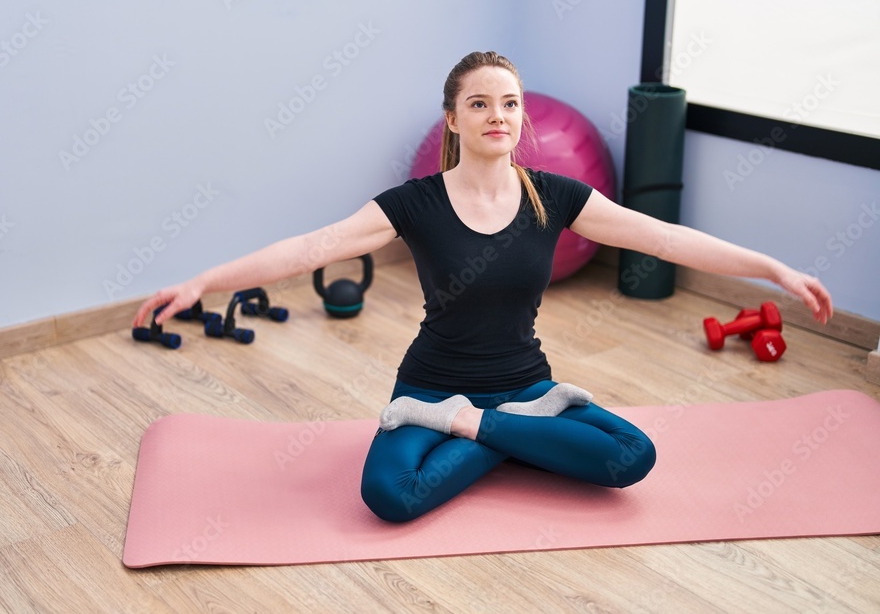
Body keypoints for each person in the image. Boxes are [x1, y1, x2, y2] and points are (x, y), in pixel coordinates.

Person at [133, 51, 834, 523]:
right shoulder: (414, 202)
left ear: (523, 114)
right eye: (480, 103)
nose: (498, 114)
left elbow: (663, 238)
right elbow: (312, 247)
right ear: (455, 118)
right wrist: (203, 281)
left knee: (633, 457)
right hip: (431, 389)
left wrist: (772, 268)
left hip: (526, 385)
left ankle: (485, 430)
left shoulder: (556, 195)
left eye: (510, 102)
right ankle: (512, 436)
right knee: (387, 495)